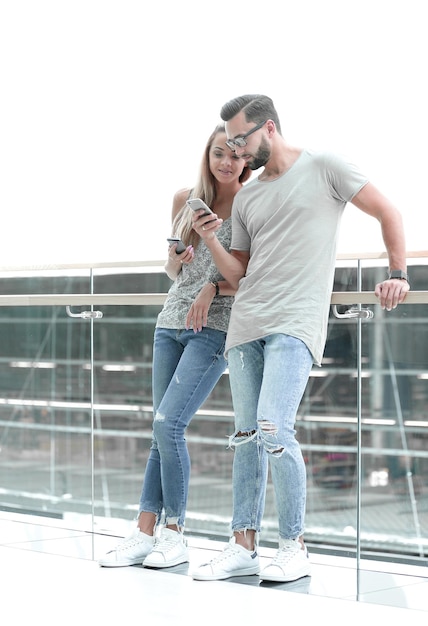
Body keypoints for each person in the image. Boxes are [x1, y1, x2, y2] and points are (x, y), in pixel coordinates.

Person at [190, 94, 409, 583]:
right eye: (228, 144)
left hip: (295, 320)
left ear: (268, 128)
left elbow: (388, 212)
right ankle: (243, 544)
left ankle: (294, 544)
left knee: (272, 427)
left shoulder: (325, 167)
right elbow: (240, 274)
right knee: (246, 436)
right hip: (246, 324)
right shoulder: (247, 197)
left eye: (241, 141)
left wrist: (398, 273)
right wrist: (209, 239)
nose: (236, 154)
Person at [98, 125, 250, 568]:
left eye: (235, 156)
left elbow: (244, 277)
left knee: (169, 424)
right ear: (208, 154)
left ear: (247, 161)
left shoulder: (250, 203)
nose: (226, 162)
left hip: (216, 327)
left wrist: (210, 287)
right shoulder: (183, 198)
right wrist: (177, 258)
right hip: (170, 322)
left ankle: (175, 532)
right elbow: (172, 271)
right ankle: (145, 531)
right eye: (219, 153)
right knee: (159, 429)